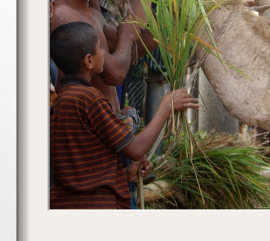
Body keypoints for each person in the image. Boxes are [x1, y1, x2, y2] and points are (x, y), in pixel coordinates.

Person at [50, 21, 199, 209]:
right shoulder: (90, 99)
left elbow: (81, 168)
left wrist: (126, 173)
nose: (105, 53)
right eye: (101, 48)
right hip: (97, 207)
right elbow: (135, 150)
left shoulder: (61, 97)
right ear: (89, 61)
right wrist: (166, 107)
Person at [50, 0, 155, 116]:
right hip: (86, 139)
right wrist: (127, 34)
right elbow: (115, 74)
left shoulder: (91, 13)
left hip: (105, 133)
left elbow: (130, 52)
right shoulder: (62, 15)